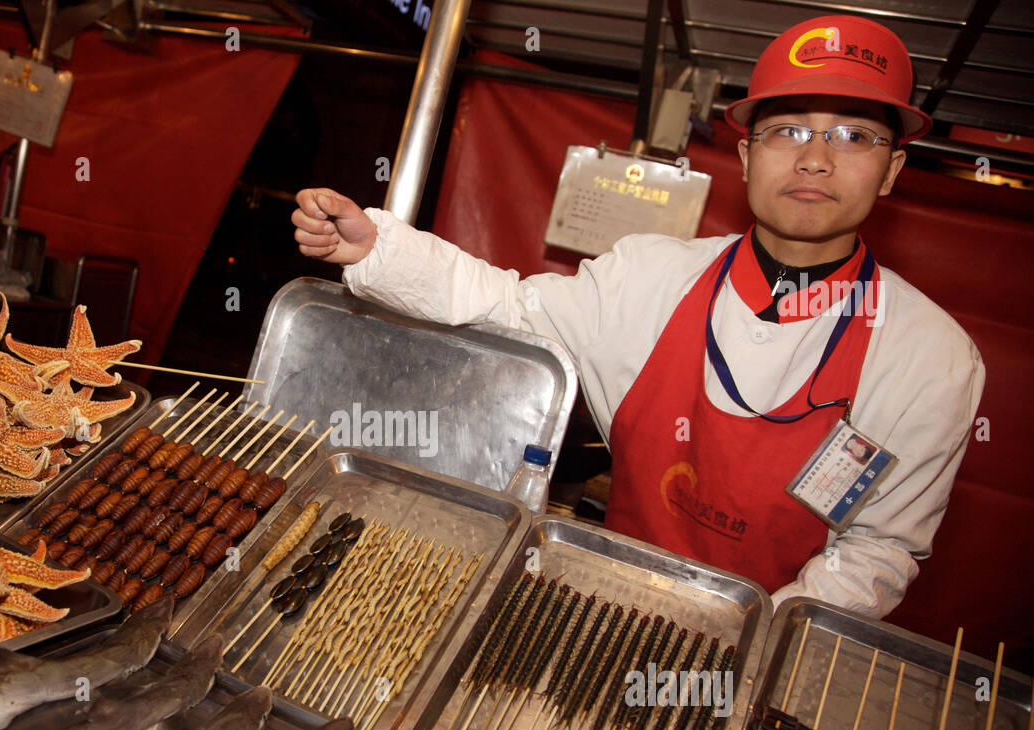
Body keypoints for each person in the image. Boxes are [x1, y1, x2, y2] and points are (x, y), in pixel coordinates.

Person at [290, 15, 985, 620]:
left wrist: (754, 634)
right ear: (746, 155)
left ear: (892, 170)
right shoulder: (648, 276)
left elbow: (881, 547)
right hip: (604, 594)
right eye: (788, 130)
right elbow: (506, 305)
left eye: (854, 136)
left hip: (769, 645)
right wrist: (380, 248)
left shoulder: (932, 357)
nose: (815, 158)